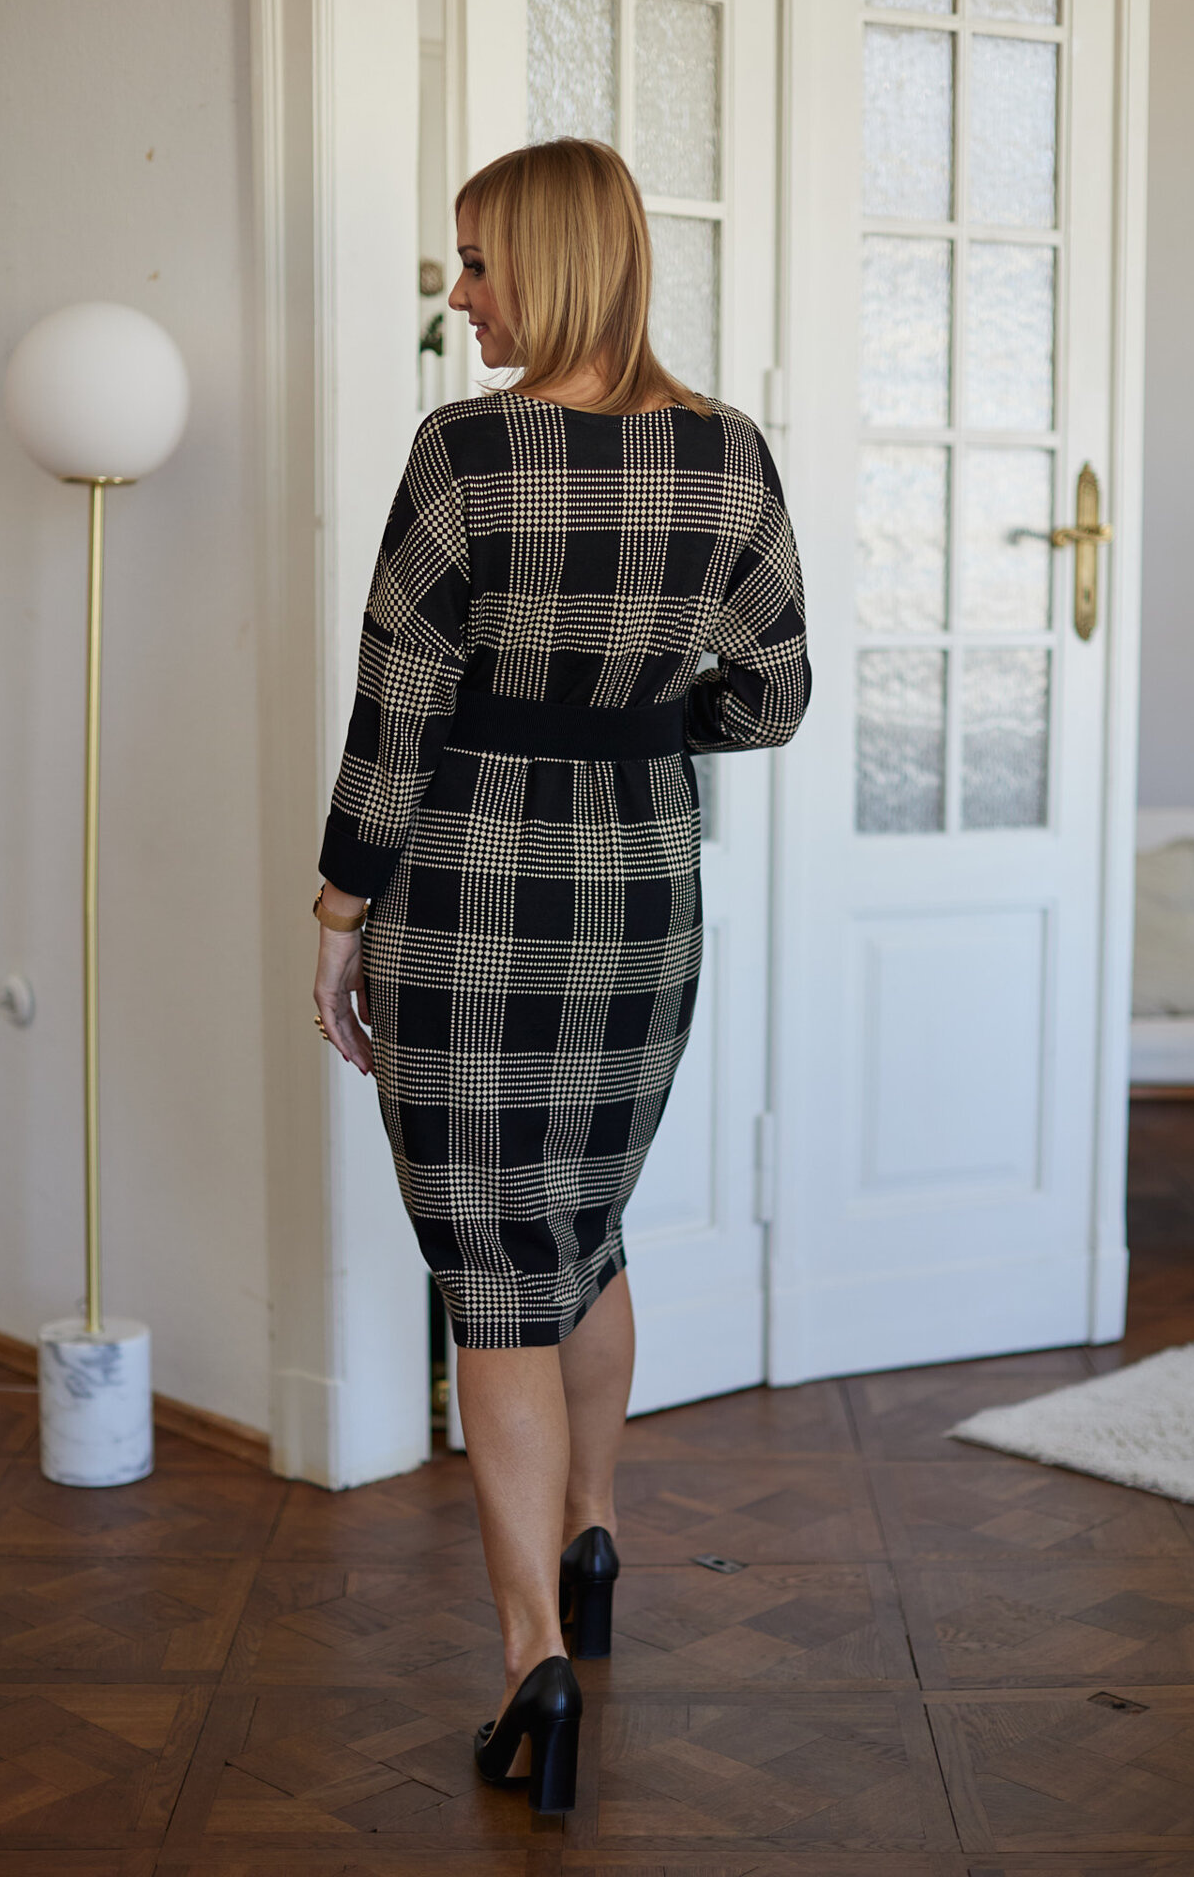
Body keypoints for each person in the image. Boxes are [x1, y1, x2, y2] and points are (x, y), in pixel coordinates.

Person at [311, 136, 811, 1815]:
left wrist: (334, 915)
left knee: (493, 1265)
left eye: (478, 263)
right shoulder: (729, 457)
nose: (460, 299)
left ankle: (533, 1652)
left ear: (552, 263)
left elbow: (399, 716)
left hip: (464, 896)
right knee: (575, 1229)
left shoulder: (465, 453)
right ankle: (597, 1538)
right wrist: (641, 724)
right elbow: (775, 697)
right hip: (639, 902)